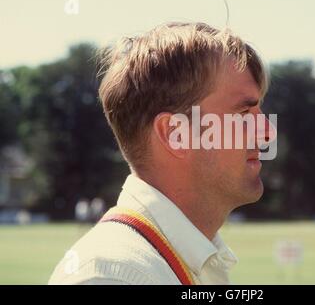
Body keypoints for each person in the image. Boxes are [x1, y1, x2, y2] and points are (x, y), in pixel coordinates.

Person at [48, 22, 275, 285]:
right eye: (243, 113)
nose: (268, 132)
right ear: (174, 134)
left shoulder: (185, 260)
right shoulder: (110, 276)